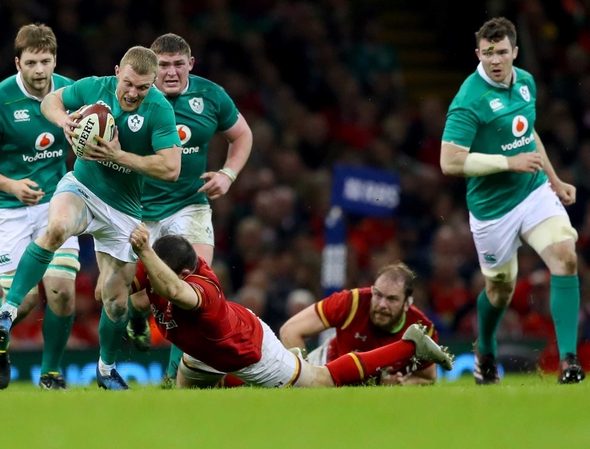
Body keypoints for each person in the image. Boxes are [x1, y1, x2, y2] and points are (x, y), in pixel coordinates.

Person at [0, 46, 181, 390]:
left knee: (116, 301)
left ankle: (105, 370)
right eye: (128, 84)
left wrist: (120, 155)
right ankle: (7, 313)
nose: (133, 93)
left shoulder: (160, 110)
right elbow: (50, 101)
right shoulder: (94, 87)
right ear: (117, 71)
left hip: (123, 209)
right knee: (57, 228)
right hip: (82, 187)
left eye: (143, 87)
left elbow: (170, 168)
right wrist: (65, 121)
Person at [440, 17, 585, 384]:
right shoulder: (468, 100)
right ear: (478, 54)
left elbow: (527, 131)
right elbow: (450, 162)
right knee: (500, 289)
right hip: (492, 210)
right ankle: (485, 348)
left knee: (566, 256)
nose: (495, 60)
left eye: (502, 52)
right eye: (488, 53)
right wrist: (508, 162)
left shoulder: (525, 82)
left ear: (514, 52)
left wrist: (553, 180)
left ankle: (569, 361)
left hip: (532, 190)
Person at [128, 226, 453, 388]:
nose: (381, 303)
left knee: (320, 381)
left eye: (392, 299)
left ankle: (409, 344)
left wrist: (143, 250)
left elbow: (170, 289)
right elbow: (120, 295)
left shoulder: (201, 289)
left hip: (246, 347)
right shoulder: (158, 266)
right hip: (205, 349)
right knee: (184, 401)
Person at [126, 33, 253, 382]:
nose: (170, 72)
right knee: (127, 294)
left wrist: (228, 174)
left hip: (189, 205)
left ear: (190, 64)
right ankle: (136, 317)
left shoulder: (210, 95)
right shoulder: (134, 96)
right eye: (163, 65)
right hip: (136, 209)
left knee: (193, 286)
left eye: (178, 64)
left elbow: (242, 135)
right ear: (151, 67)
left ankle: (173, 377)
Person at [0, 24, 78, 390]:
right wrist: (11, 185)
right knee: (25, 301)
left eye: (46, 61)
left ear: (55, 59)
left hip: (55, 204)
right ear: (18, 62)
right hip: (5, 210)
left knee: (61, 290)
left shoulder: (70, 93)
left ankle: (51, 373)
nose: (40, 70)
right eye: (32, 62)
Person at [280, 263, 441, 385]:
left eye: (392, 299)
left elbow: (428, 377)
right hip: (324, 367)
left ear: (407, 303)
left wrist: (401, 384)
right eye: (377, 295)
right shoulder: (351, 302)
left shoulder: (422, 328)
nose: (382, 304)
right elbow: (290, 331)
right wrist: (307, 378)